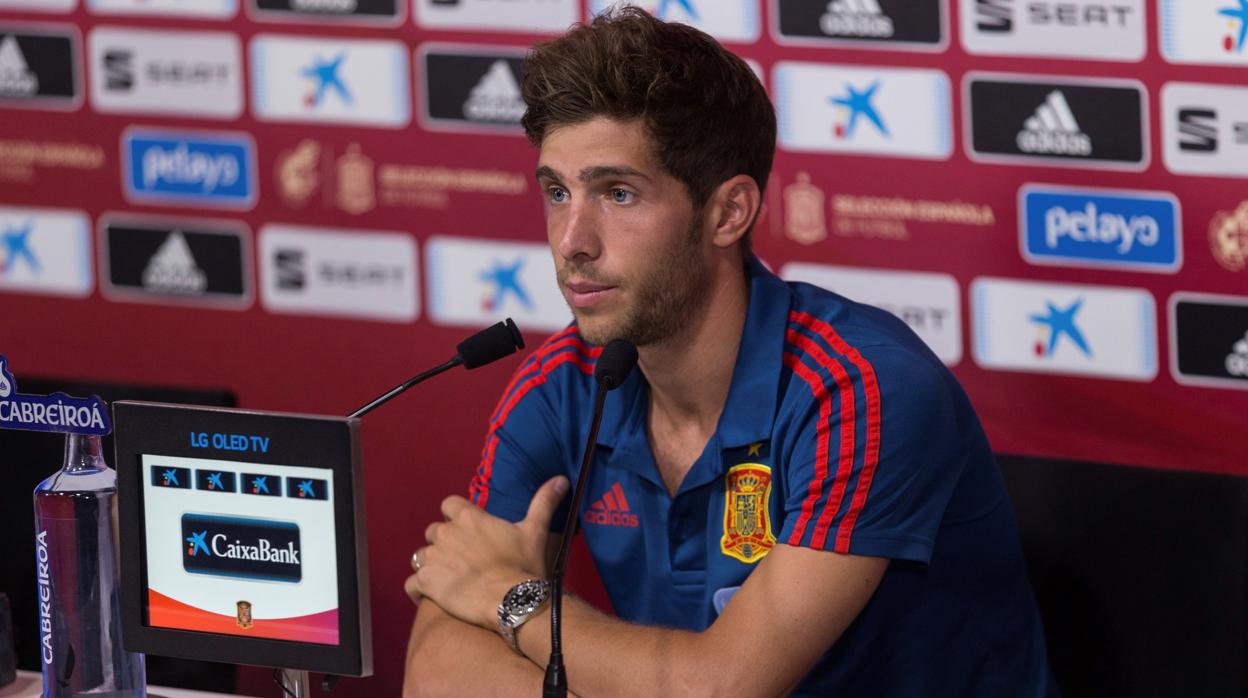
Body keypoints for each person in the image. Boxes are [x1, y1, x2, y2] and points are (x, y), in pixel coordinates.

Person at [403, 8, 1053, 696]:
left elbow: (724, 689)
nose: (572, 241)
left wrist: (514, 601)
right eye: (558, 192)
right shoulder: (560, 387)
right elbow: (437, 677)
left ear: (728, 212)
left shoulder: (862, 390)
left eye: (618, 194)